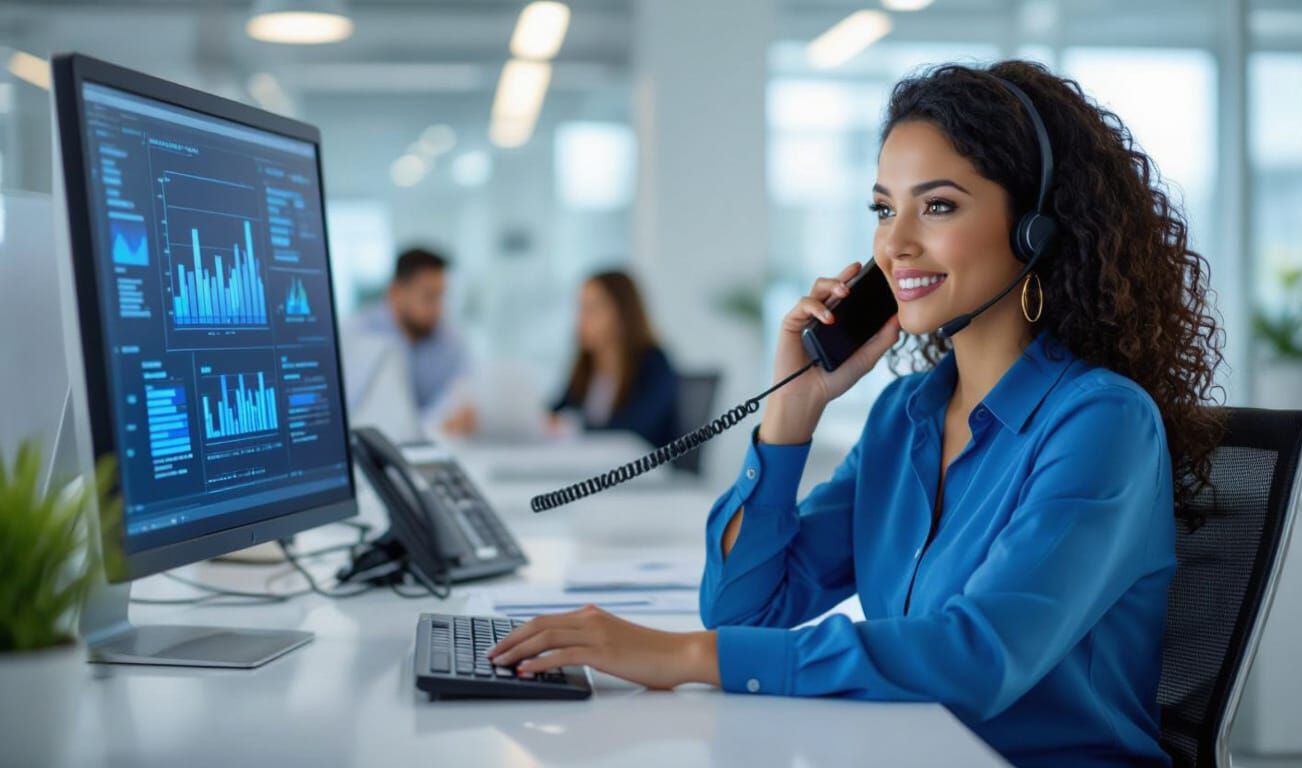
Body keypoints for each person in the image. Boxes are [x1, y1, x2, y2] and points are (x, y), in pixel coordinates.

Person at [488, 60, 1226, 767]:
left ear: (1035, 228)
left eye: (937, 206)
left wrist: (679, 656)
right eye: (883, 209)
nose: (894, 245)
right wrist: (791, 411)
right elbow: (746, 608)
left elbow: (975, 657)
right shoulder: (907, 415)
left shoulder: (1101, 423)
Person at [548, 270, 680, 448]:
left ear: (620, 313)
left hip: (643, 468)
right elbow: (558, 410)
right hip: (596, 463)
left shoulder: (653, 362)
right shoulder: (586, 365)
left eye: (592, 309)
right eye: (580, 308)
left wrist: (573, 427)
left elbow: (637, 428)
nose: (581, 319)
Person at [353, 246, 473, 430]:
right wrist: (436, 422)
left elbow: (460, 398)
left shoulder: (450, 339)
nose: (439, 308)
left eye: (441, 297)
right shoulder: (358, 334)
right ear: (396, 293)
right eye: (429, 297)